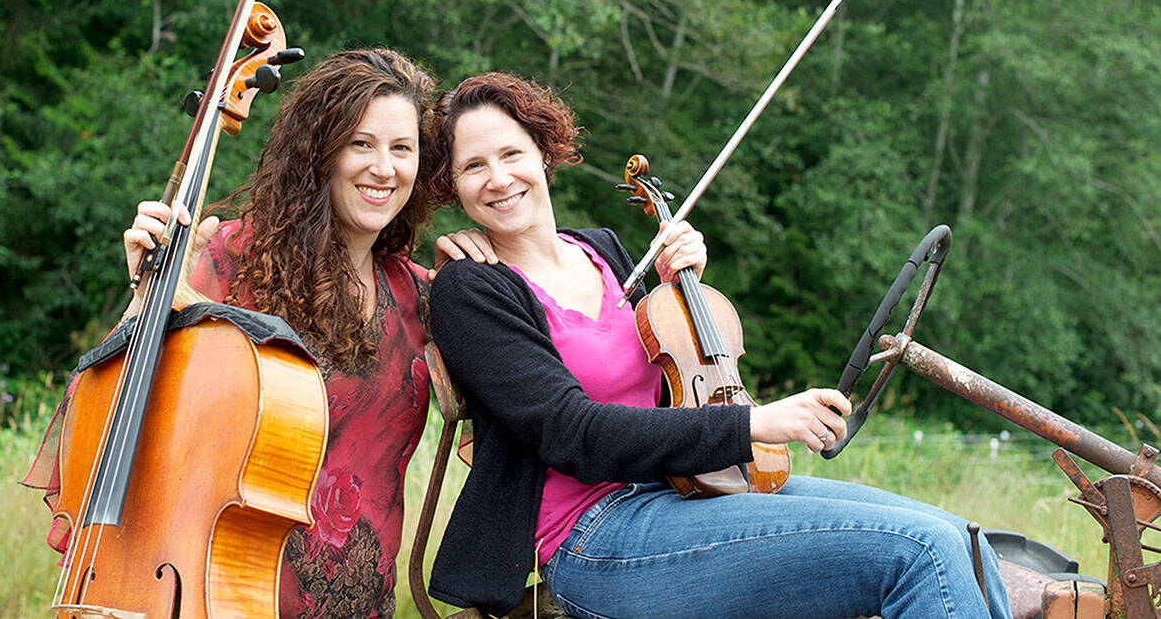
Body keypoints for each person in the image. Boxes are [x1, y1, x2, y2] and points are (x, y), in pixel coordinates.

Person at [423, 71, 1014, 619]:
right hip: (594, 535)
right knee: (921, 550)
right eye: (473, 166)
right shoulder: (472, 289)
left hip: (690, 489)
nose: (498, 178)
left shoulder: (602, 251)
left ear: (544, 154)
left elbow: (672, 380)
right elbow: (572, 433)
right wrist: (752, 424)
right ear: (453, 184)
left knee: (968, 541)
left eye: (510, 153)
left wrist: (683, 292)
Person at [25, 48, 482, 619]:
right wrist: (146, 300)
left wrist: (496, 267)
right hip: (216, 591)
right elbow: (117, 409)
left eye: (402, 148)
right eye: (360, 144)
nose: (384, 168)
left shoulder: (423, 296)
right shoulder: (234, 258)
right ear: (319, 152)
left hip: (358, 601)